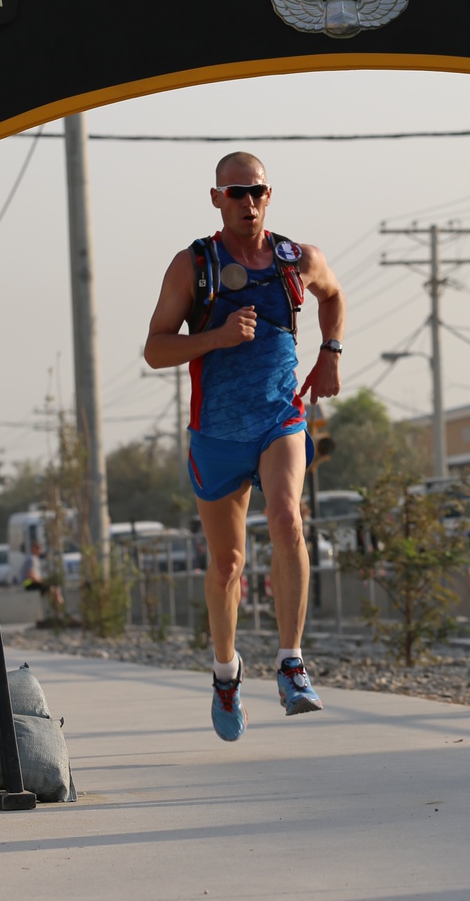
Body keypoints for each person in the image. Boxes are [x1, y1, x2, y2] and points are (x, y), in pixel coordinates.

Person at [144, 151, 345, 741]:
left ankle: (291, 663)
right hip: (216, 431)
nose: (247, 202)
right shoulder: (193, 266)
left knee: (288, 520)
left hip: (279, 419)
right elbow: (156, 348)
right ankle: (226, 674)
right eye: (235, 193)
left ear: (269, 194)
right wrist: (218, 337)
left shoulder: (297, 260)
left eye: (255, 191)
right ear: (216, 199)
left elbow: (333, 296)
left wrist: (329, 354)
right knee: (228, 562)